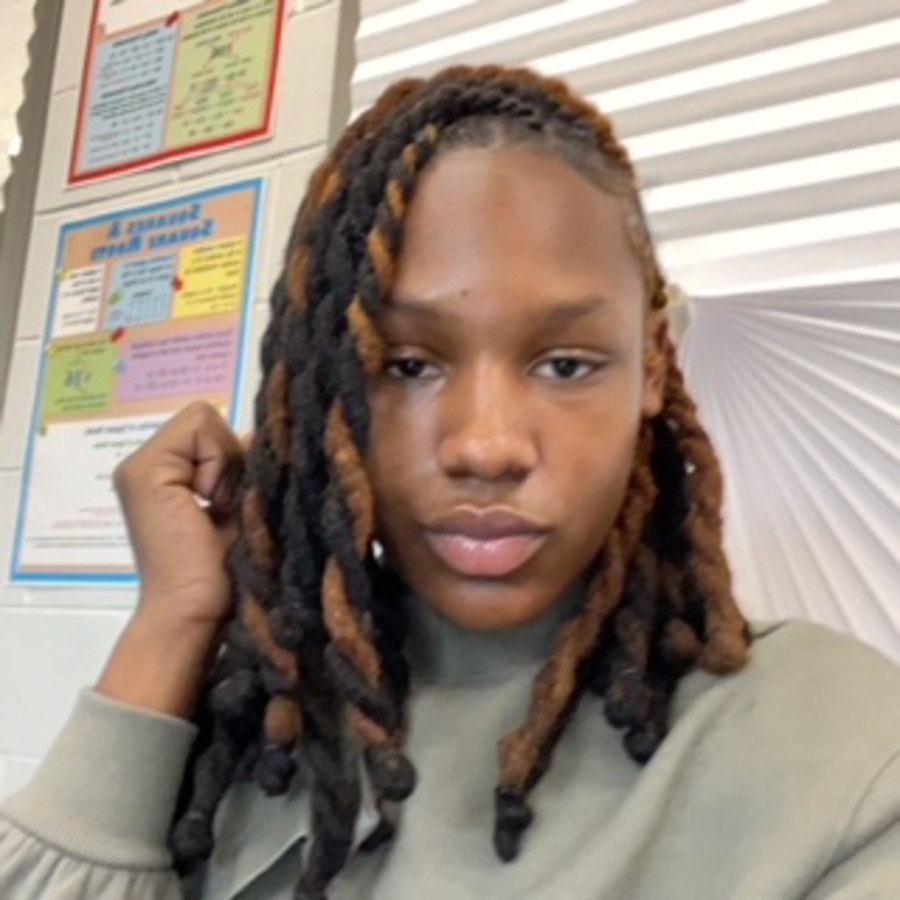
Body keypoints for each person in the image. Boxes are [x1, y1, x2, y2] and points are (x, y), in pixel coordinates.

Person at [2, 64, 899, 900]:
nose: (485, 446)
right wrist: (174, 621)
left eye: (566, 364)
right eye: (406, 365)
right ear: (327, 387)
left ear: (654, 365)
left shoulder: (838, 751)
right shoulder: (256, 716)